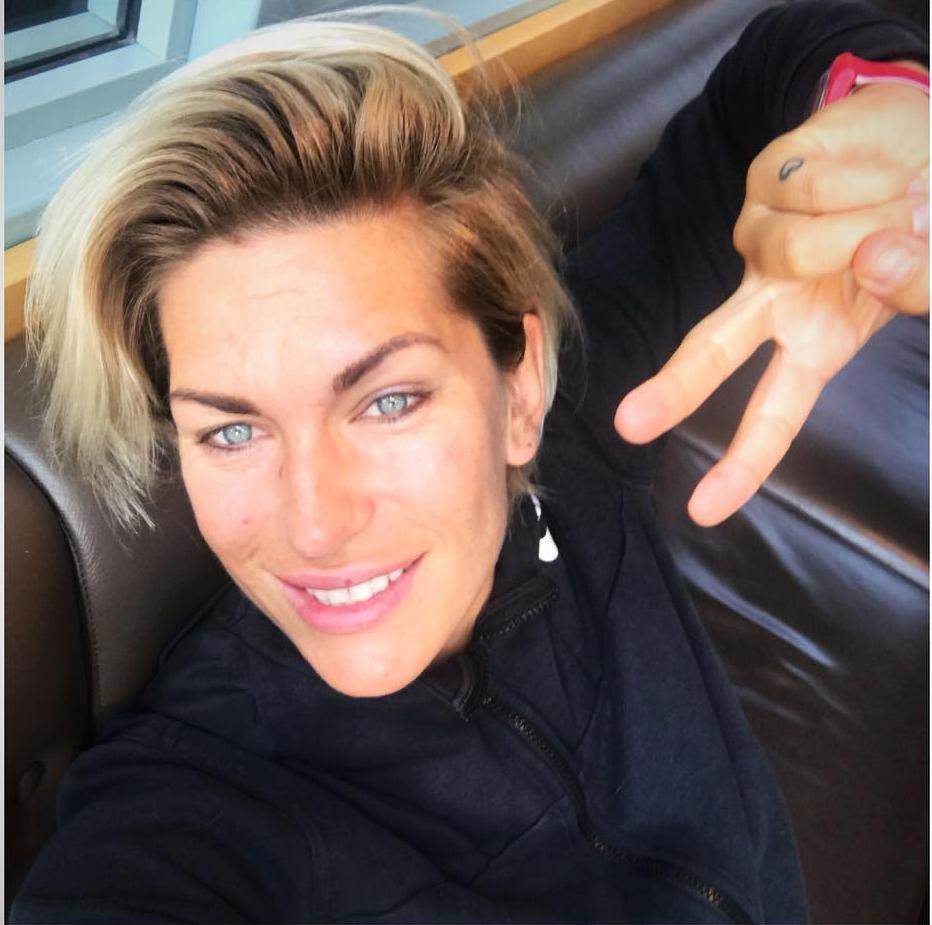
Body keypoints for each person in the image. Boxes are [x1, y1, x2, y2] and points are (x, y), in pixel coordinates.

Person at [10, 0, 928, 922]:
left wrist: (893, 119)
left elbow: (779, 60)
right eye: (232, 431)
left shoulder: (579, 420)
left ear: (520, 392)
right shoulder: (188, 815)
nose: (316, 525)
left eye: (389, 401)